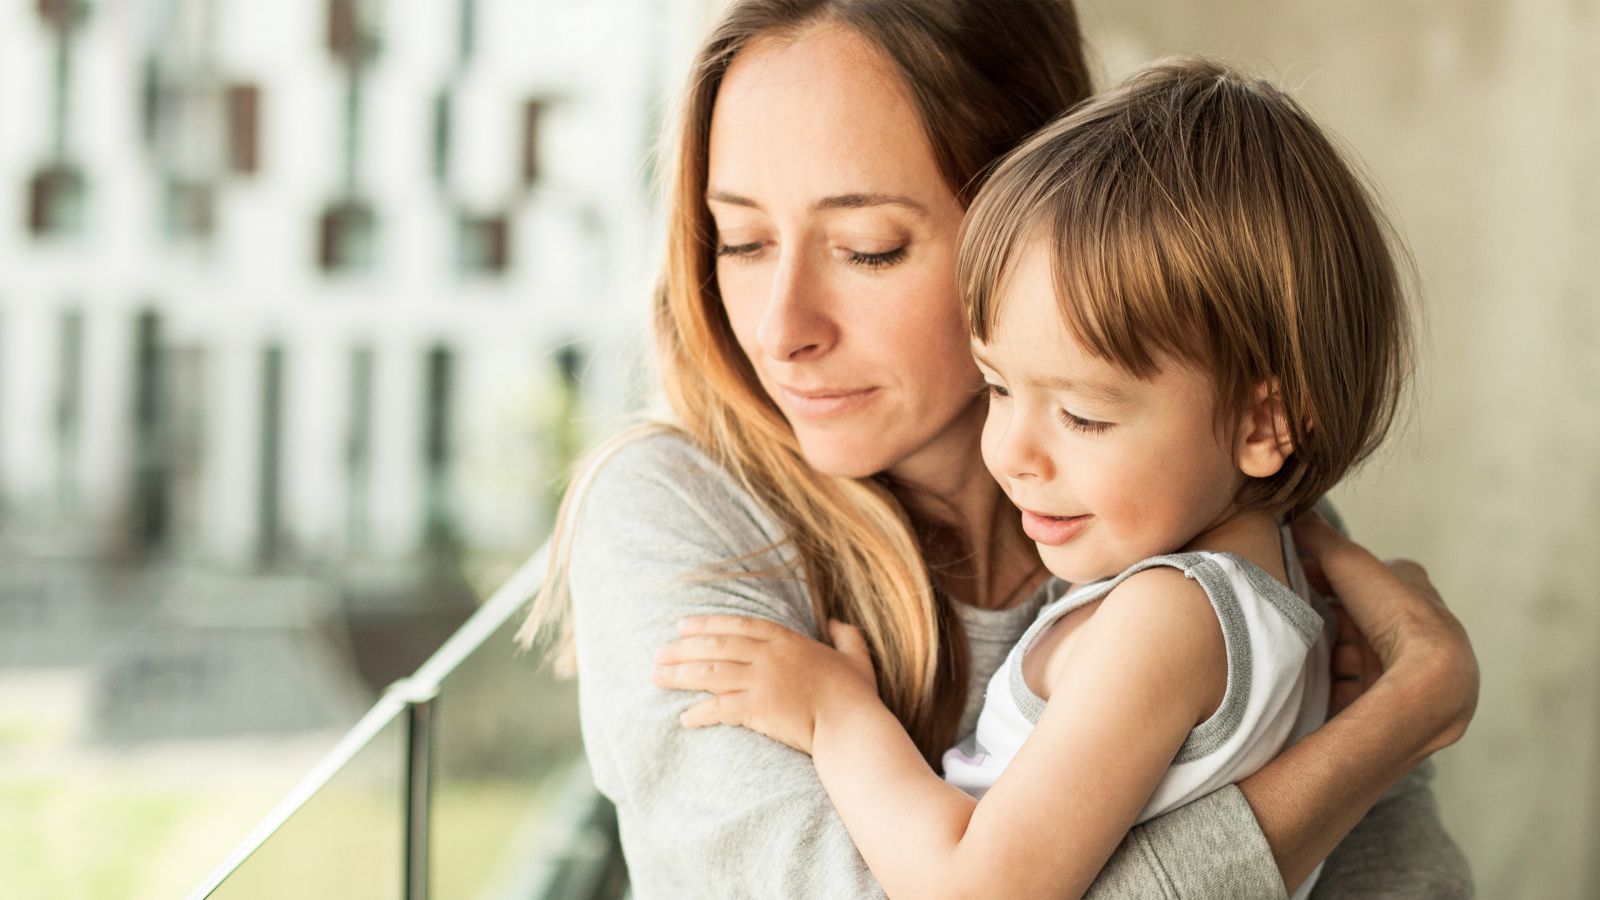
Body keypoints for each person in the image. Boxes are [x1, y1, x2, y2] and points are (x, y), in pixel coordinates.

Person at [518, 2, 1478, 897]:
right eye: (739, 242)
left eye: (869, 248)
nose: (781, 330)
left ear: (1034, 211)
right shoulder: (682, 513)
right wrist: (1390, 729)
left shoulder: (1197, 495)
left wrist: (838, 717)